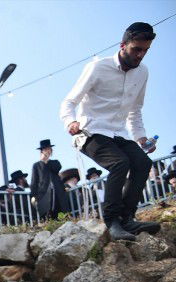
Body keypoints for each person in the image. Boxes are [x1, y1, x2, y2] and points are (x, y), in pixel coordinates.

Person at [60, 21, 159, 241]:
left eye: (145, 51)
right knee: (119, 163)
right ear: (123, 45)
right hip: (90, 132)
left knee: (143, 163)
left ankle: (127, 219)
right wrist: (70, 122)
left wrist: (141, 137)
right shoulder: (97, 67)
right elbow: (69, 101)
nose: (140, 55)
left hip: (119, 134)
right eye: (136, 49)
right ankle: (112, 221)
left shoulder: (142, 73)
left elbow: (135, 110)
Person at [30, 139, 67, 220]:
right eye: (46, 149)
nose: (48, 151)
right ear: (42, 151)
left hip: (57, 192)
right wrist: (34, 195)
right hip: (43, 194)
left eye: (49, 149)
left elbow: (56, 168)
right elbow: (34, 182)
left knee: (61, 213)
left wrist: (46, 161)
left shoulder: (55, 162)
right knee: (47, 215)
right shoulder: (36, 165)